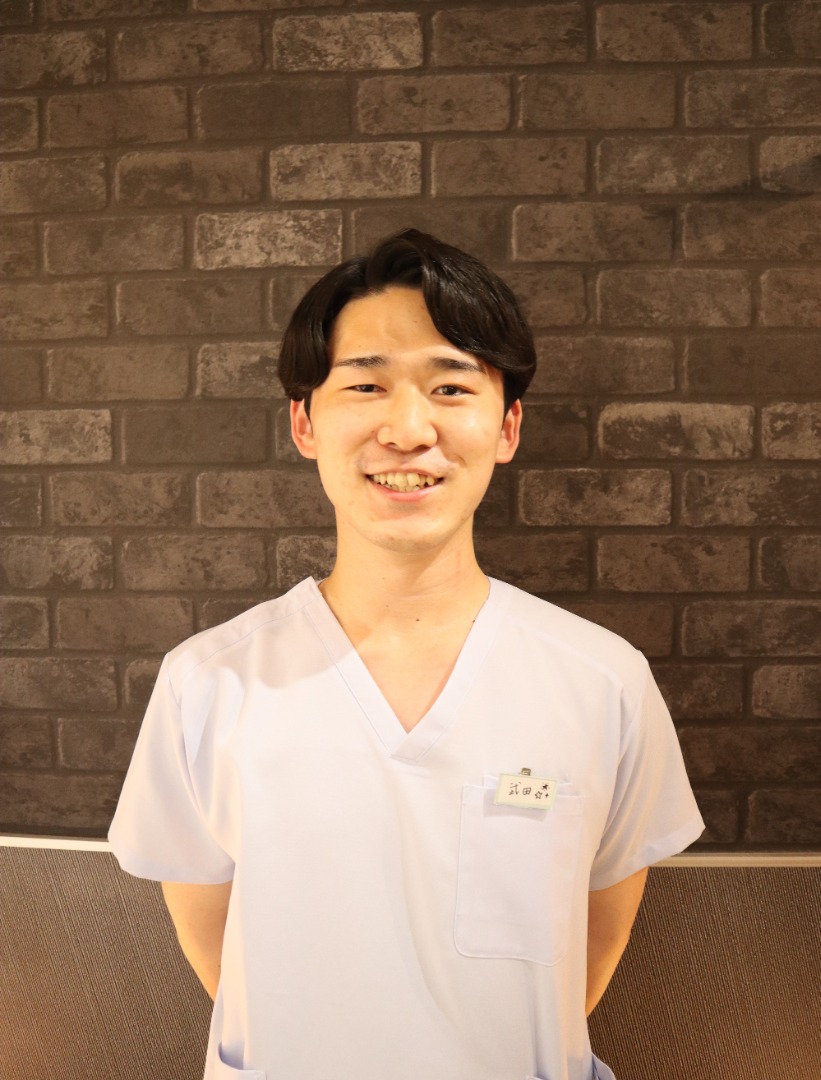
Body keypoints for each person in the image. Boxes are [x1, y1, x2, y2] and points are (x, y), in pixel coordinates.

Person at [108, 229, 704, 1080]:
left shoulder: (601, 681)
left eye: (450, 386)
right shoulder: (209, 683)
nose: (408, 428)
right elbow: (211, 936)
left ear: (507, 426)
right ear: (304, 422)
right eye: (365, 384)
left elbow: (597, 933)